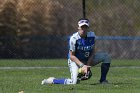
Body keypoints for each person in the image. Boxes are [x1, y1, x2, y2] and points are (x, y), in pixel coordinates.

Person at [41, 18, 111, 85]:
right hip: (76, 61)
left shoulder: (92, 36)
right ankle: (52, 80)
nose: (84, 29)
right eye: (82, 27)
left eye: (85, 27)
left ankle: (103, 80)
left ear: (88, 28)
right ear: (78, 27)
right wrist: (82, 66)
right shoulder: (74, 38)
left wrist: (88, 66)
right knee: (74, 82)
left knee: (106, 57)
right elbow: (71, 56)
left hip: (87, 60)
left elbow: (92, 52)